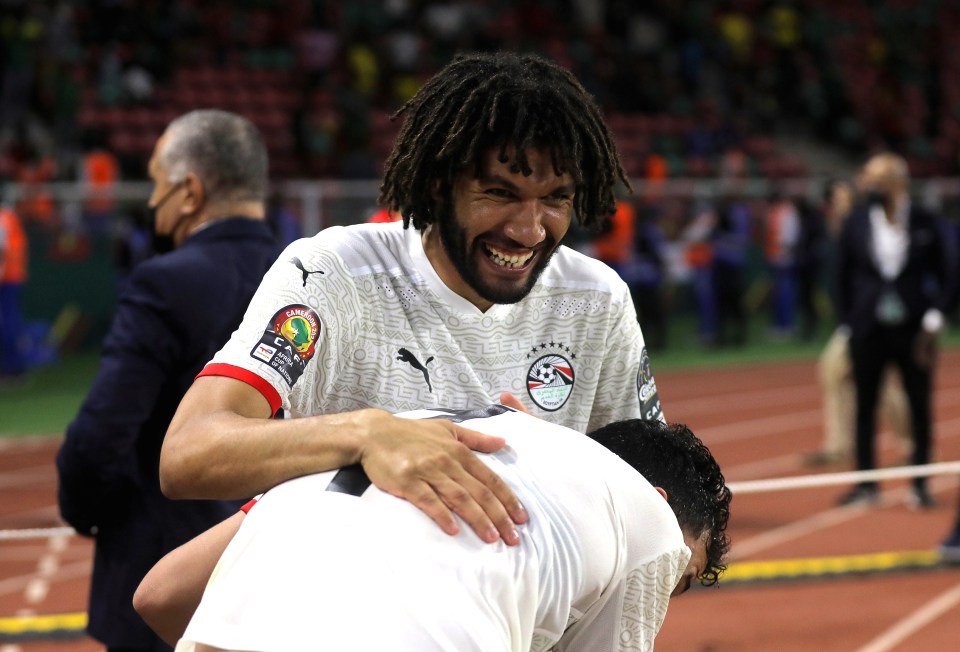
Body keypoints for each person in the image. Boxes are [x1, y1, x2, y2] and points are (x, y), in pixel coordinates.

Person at [159, 52, 664, 547]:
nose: (529, 230)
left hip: (528, 623)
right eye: (500, 193)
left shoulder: (597, 298)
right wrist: (368, 435)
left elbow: (654, 487)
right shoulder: (335, 271)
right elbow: (189, 450)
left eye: (556, 198)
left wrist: (554, 462)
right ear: (439, 185)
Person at [135, 406, 731, 651]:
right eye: (677, 580)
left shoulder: (420, 428)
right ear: (658, 499)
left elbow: (161, 595)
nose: (663, 597)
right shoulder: (650, 522)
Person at [55, 109, 282, 652]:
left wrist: (90, 514)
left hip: (163, 576)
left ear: (189, 191)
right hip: (281, 571)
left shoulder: (163, 284)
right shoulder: (311, 279)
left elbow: (100, 437)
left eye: (157, 183)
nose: (152, 202)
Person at [835, 153, 958, 508]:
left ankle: (920, 485)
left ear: (897, 182)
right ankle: (866, 485)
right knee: (865, 406)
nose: (868, 186)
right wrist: (847, 322)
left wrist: (937, 313)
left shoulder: (925, 220)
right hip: (868, 328)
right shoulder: (856, 222)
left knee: (919, 406)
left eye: (877, 179)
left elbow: (950, 269)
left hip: (914, 330)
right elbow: (841, 274)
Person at [806, 179, 911, 467]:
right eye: (834, 198)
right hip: (854, 317)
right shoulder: (840, 229)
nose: (837, 203)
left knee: (841, 372)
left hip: (871, 316)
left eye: (843, 197)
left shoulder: (865, 227)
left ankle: (911, 440)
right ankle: (843, 445)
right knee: (852, 378)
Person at [0, 198, 28, 379]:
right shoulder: (9, 216)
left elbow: (2, 251)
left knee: (7, 323)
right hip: (14, 277)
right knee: (11, 321)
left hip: (6, 279)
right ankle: (14, 366)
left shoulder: (3, 219)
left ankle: (11, 368)